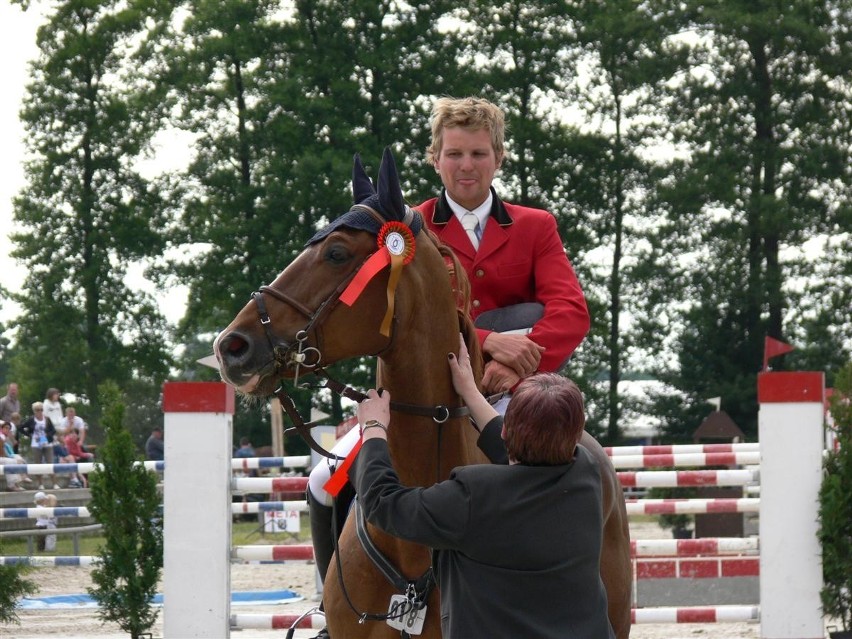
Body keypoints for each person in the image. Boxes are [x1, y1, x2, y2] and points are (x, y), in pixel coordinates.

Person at [305, 97, 591, 627]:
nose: (466, 165)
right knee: (323, 482)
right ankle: (333, 612)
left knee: (587, 475)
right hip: (419, 396)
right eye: (454, 153)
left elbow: (571, 311)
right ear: (435, 157)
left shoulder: (535, 226)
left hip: (516, 398)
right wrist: (488, 341)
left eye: (479, 153)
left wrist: (513, 365)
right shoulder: (401, 229)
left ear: (498, 158)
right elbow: (385, 312)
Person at [352, 337, 614, 638]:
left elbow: (381, 503)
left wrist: (373, 428)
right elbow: (529, 459)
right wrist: (470, 392)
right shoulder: (587, 474)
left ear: (505, 430)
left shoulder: (472, 497)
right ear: (576, 435)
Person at [19, 402, 59, 490]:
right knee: (38, 463)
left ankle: (55, 483)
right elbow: (21, 427)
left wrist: (48, 436)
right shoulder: (31, 420)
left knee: (50, 463)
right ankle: (40, 484)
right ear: (34, 411)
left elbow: (53, 430)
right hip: (36, 443)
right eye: (38, 410)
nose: (40, 412)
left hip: (47, 442)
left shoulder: (47, 419)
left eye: (41, 409)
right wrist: (29, 435)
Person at [1, 420, 34, 491]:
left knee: (17, 458)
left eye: (9, 429)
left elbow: (13, 445)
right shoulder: (1, 437)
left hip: (4, 456)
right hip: (2, 457)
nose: (7, 430)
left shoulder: (4, 437)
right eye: (5, 428)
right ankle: (12, 485)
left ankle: (19, 480)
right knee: (10, 462)